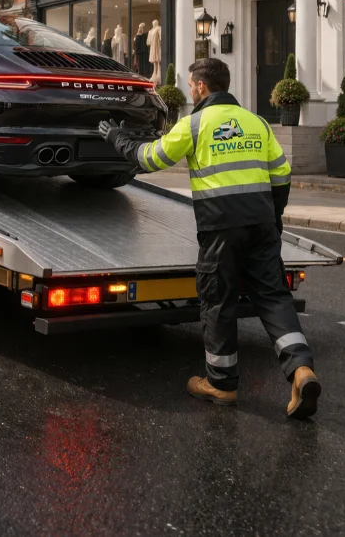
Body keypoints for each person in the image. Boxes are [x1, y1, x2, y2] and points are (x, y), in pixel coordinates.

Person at [98, 58, 321, 419]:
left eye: (190, 84)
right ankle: (301, 370)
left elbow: (149, 158)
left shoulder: (194, 124)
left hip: (221, 228)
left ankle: (221, 383)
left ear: (201, 86)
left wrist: (116, 137)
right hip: (262, 224)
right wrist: (274, 220)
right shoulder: (257, 122)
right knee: (273, 297)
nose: (189, 90)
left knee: (218, 301)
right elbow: (281, 175)